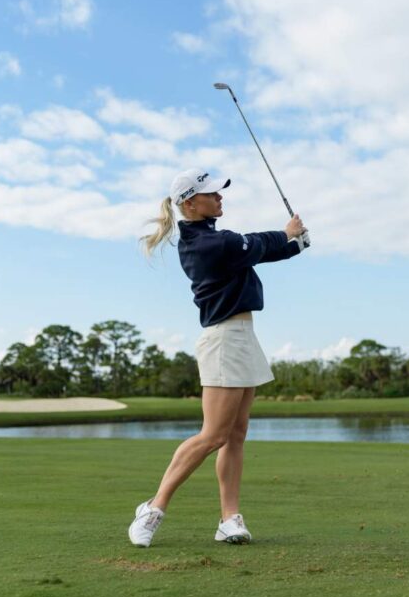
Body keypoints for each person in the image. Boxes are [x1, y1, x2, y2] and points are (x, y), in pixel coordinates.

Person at [129, 168, 308, 547]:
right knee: (213, 434)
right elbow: (254, 244)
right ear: (189, 203)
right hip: (224, 340)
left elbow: (262, 252)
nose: (220, 198)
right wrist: (287, 234)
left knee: (236, 435)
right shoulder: (204, 244)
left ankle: (229, 519)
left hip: (243, 337)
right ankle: (153, 507)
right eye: (212, 194)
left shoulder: (216, 241)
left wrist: (296, 244)